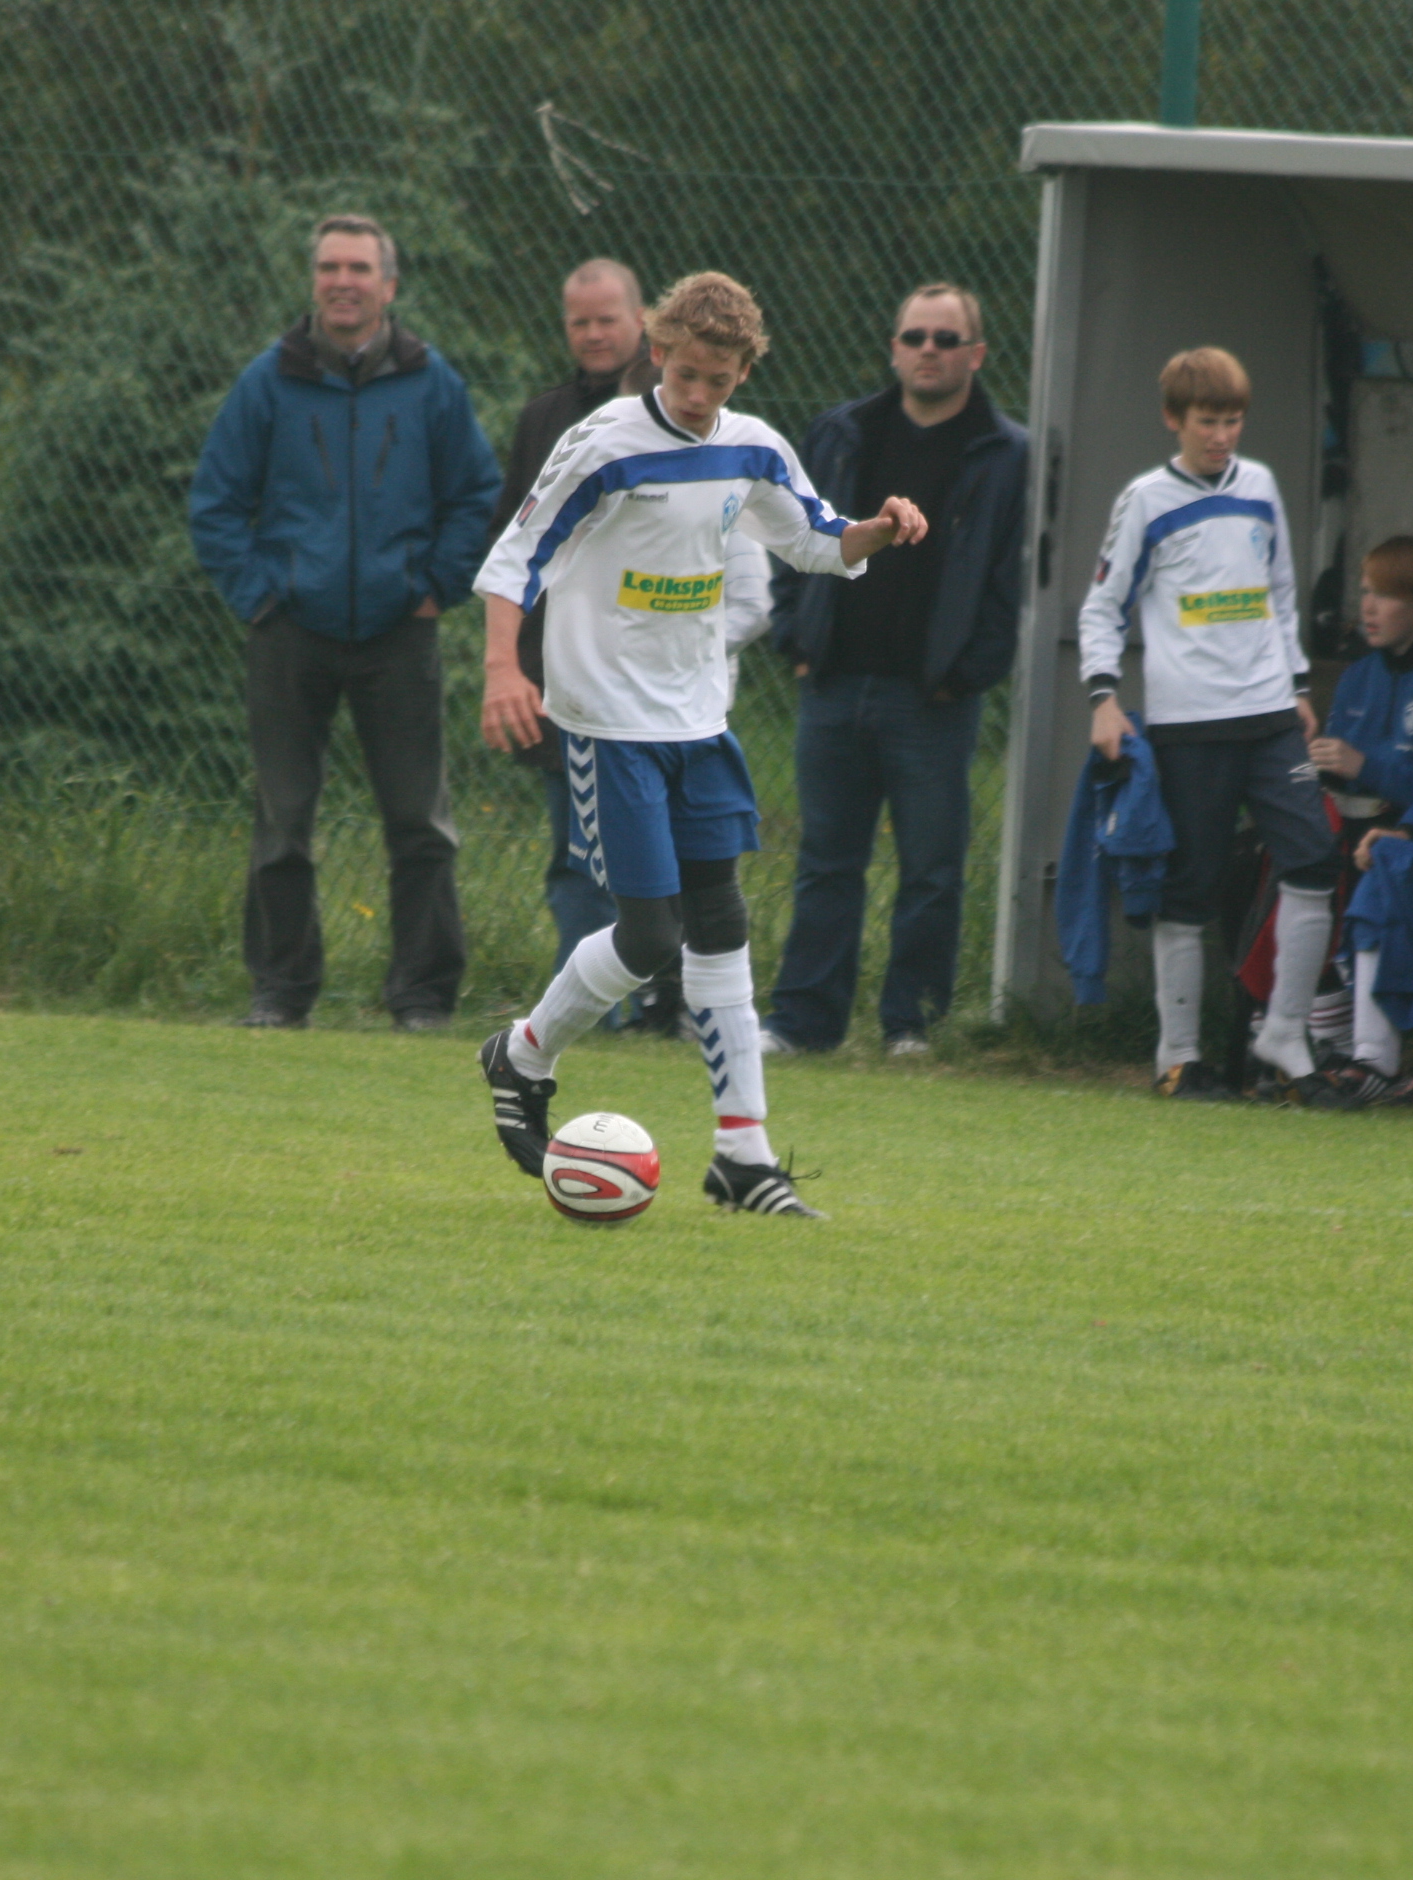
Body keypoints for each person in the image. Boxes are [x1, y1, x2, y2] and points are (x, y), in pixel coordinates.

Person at [474, 272, 926, 1217]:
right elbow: (517, 558)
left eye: (717, 381)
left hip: (699, 720)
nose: (696, 393)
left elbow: (816, 541)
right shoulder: (603, 444)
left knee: (720, 920)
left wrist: (881, 530)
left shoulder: (753, 447)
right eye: (683, 374)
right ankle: (521, 1055)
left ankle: (743, 1158)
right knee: (650, 935)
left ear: (743, 373)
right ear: (656, 351)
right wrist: (503, 671)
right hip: (609, 722)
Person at [190, 213, 501, 1030]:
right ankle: (281, 992)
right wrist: (261, 597)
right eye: (329, 267)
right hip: (290, 631)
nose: (343, 282)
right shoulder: (269, 381)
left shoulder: (433, 383)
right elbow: (215, 502)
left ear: (388, 285)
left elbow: (478, 494)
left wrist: (436, 587)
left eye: (359, 268)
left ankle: (422, 997)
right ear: (314, 281)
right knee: (282, 823)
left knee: (421, 825)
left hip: (401, 631)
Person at [762, 281, 1028, 1056]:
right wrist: (797, 639)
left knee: (932, 870)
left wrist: (964, 673)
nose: (928, 351)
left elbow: (1011, 576)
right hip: (834, 683)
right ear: (894, 348)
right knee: (825, 863)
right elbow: (790, 533)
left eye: (946, 339)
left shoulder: (1006, 453)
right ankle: (804, 1024)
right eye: (915, 337)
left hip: (933, 700)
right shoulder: (840, 433)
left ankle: (912, 1025)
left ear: (977, 354)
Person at [1079, 346, 1339, 1103]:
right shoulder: (1145, 500)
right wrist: (1103, 698)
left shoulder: (1258, 485)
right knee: (1189, 887)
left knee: (1314, 858)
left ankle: (1285, 1037)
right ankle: (1179, 1057)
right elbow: (1102, 605)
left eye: (1232, 421)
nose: (1222, 436)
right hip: (1190, 725)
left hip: (1271, 718)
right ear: (1174, 419)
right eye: (1207, 422)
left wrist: (1296, 683)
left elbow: (1280, 593)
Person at [1309, 536, 1413, 1107]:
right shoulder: (1359, 675)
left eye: (1385, 596)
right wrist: (1313, 769)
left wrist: (1369, 769)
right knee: (1276, 863)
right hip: (1355, 828)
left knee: (1381, 863)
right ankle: (1310, 1039)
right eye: (1364, 593)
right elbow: (1335, 768)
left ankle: (1371, 1057)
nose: (1368, 608)